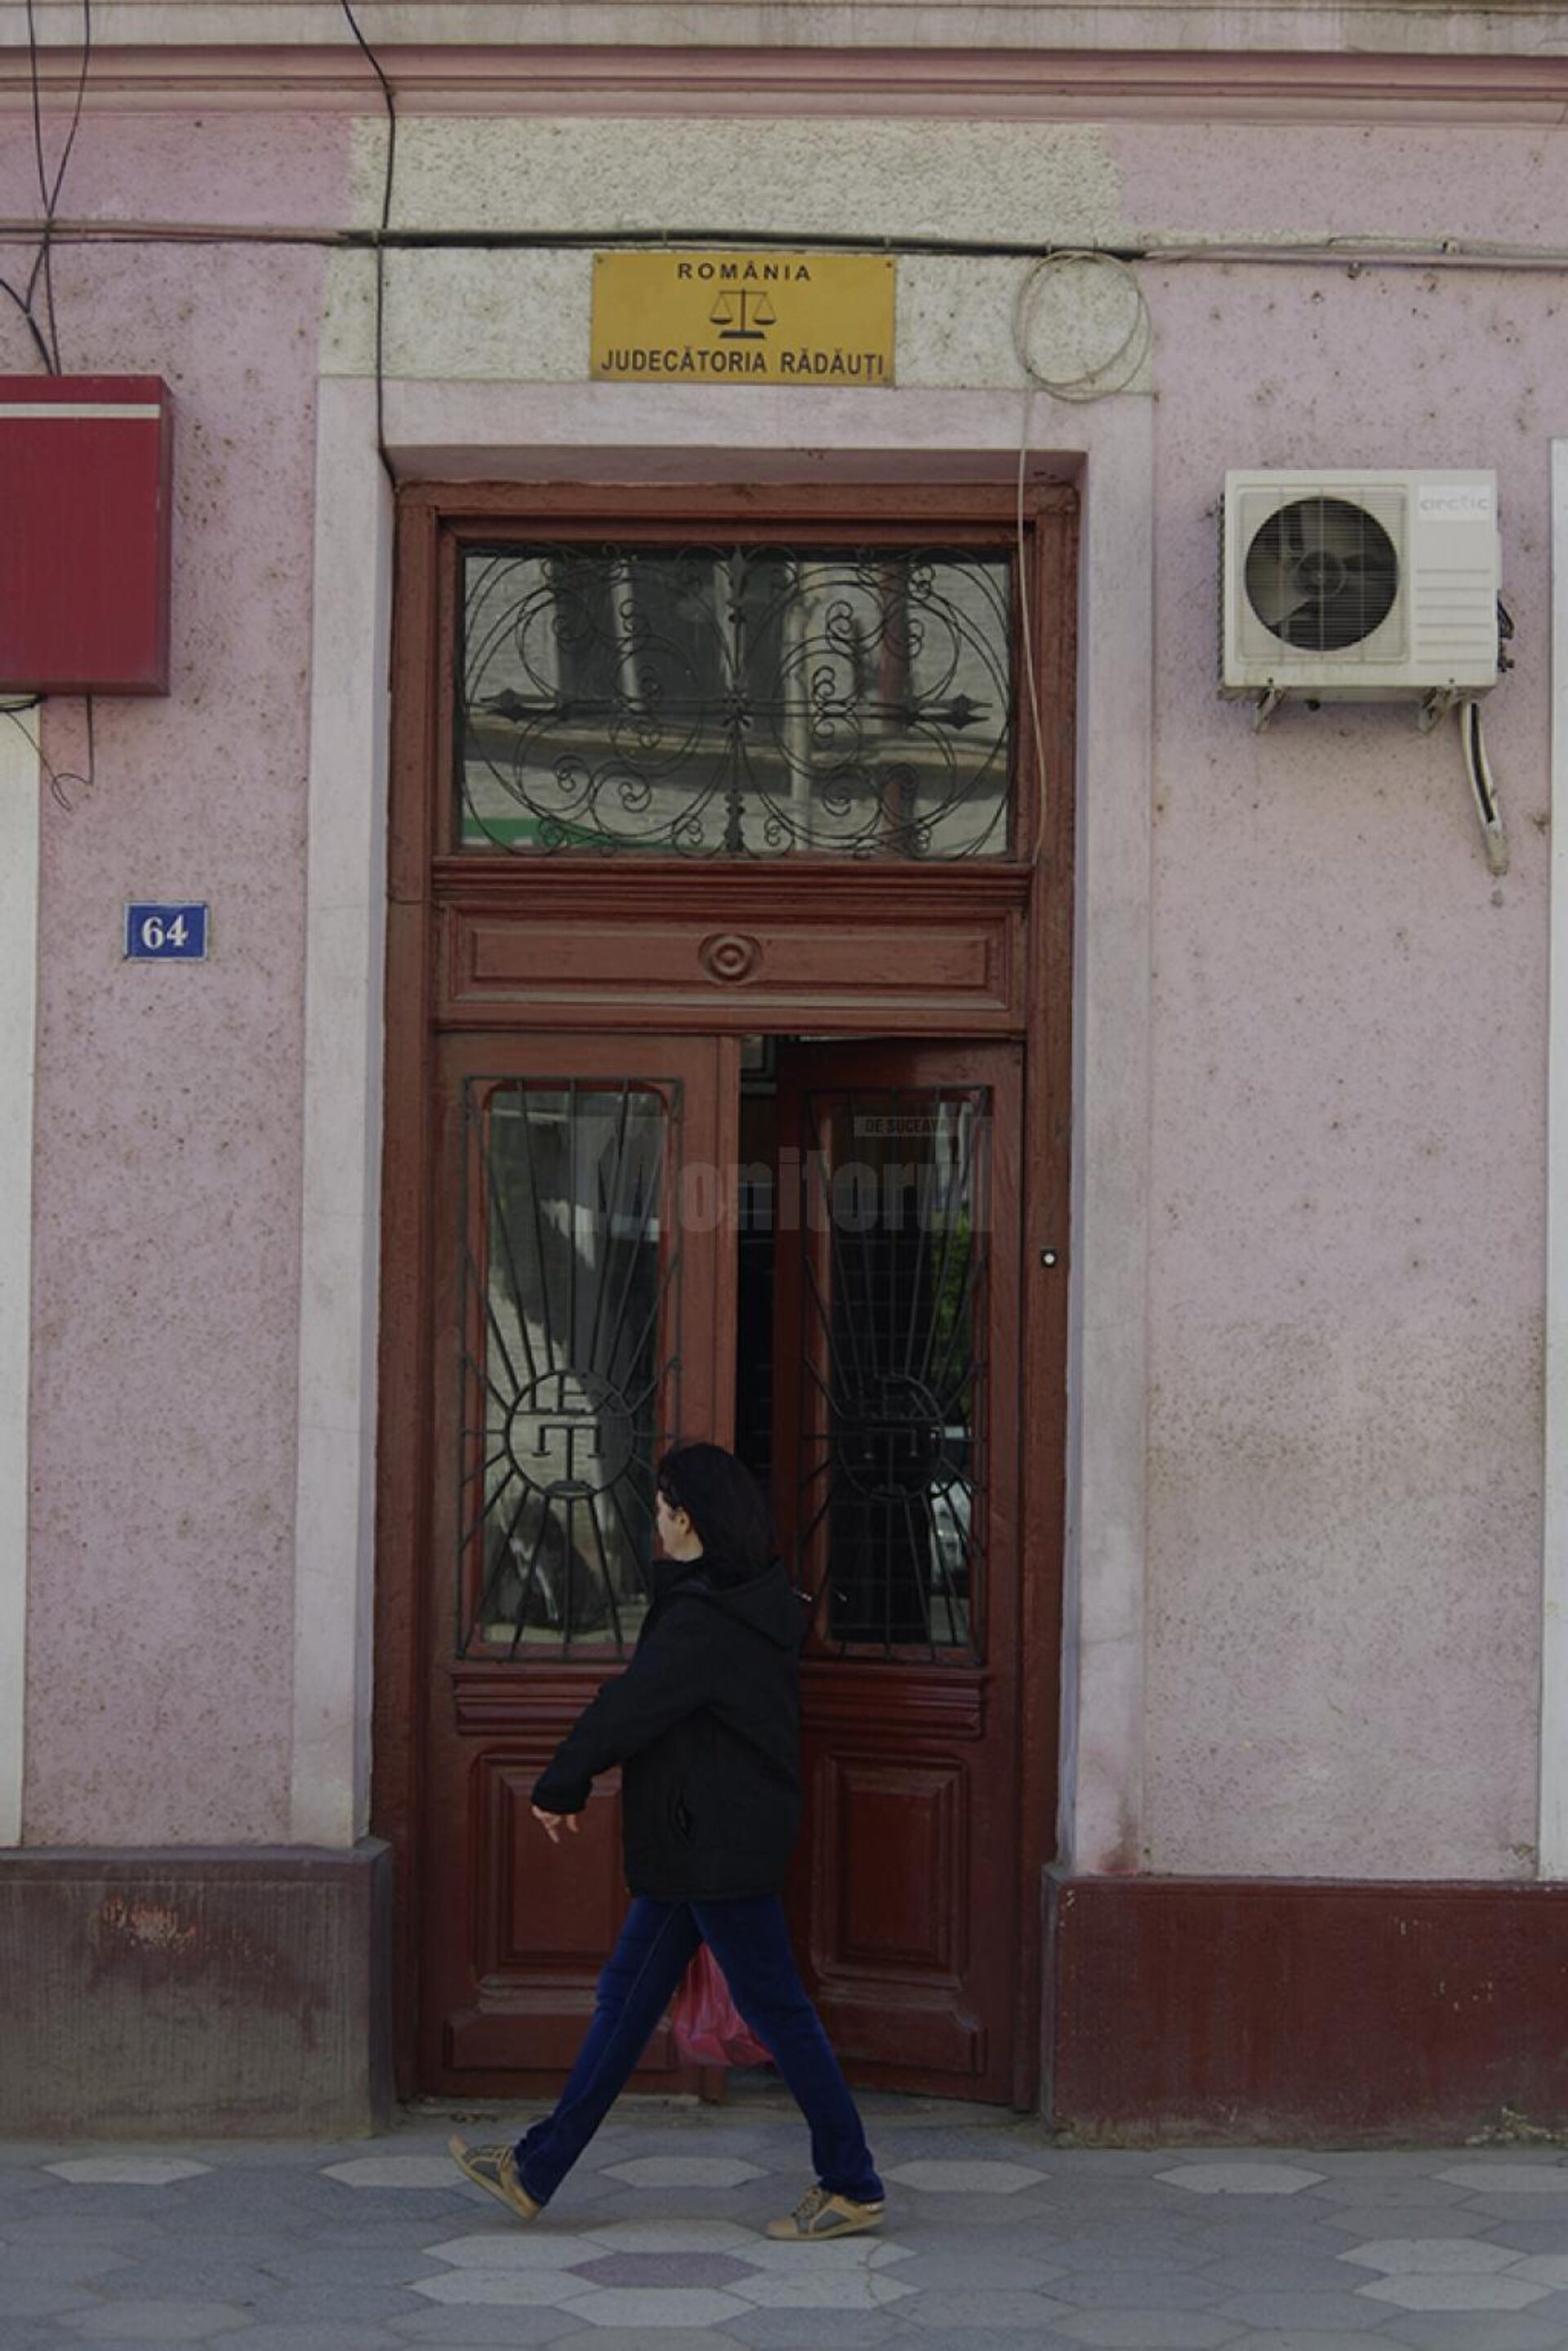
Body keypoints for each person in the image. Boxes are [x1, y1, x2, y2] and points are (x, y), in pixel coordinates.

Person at [449, 1441, 886, 2243]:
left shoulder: (706, 1618)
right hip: (702, 1841)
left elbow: (632, 1705)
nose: (654, 1519)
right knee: (626, 1999)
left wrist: (560, 1781)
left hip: (715, 1846)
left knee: (777, 2009)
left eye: (660, 1506)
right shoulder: (737, 1601)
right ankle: (534, 2169)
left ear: (687, 1519)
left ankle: (851, 2181)